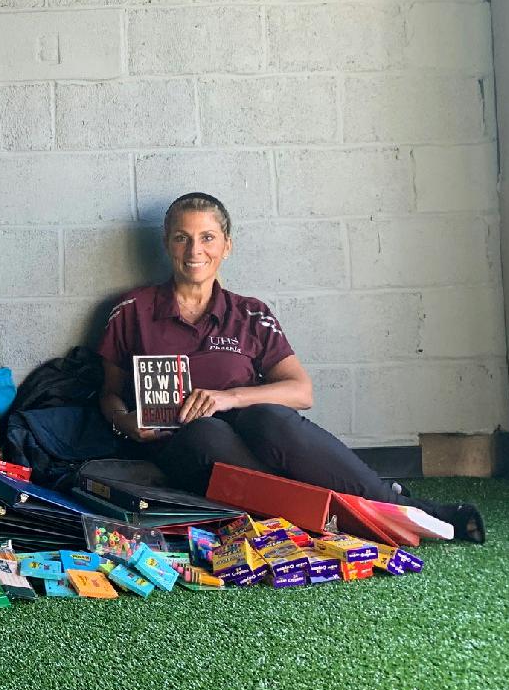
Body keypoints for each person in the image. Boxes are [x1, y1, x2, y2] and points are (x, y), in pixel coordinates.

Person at [96, 192, 484, 543]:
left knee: (271, 418)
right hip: (183, 447)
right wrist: (124, 421)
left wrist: (229, 397)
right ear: (167, 244)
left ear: (227, 246)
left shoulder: (250, 313)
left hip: (256, 442)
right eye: (182, 237)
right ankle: (341, 514)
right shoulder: (133, 310)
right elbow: (109, 393)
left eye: (208, 237)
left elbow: (301, 391)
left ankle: (406, 509)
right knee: (206, 433)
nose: (195, 249)